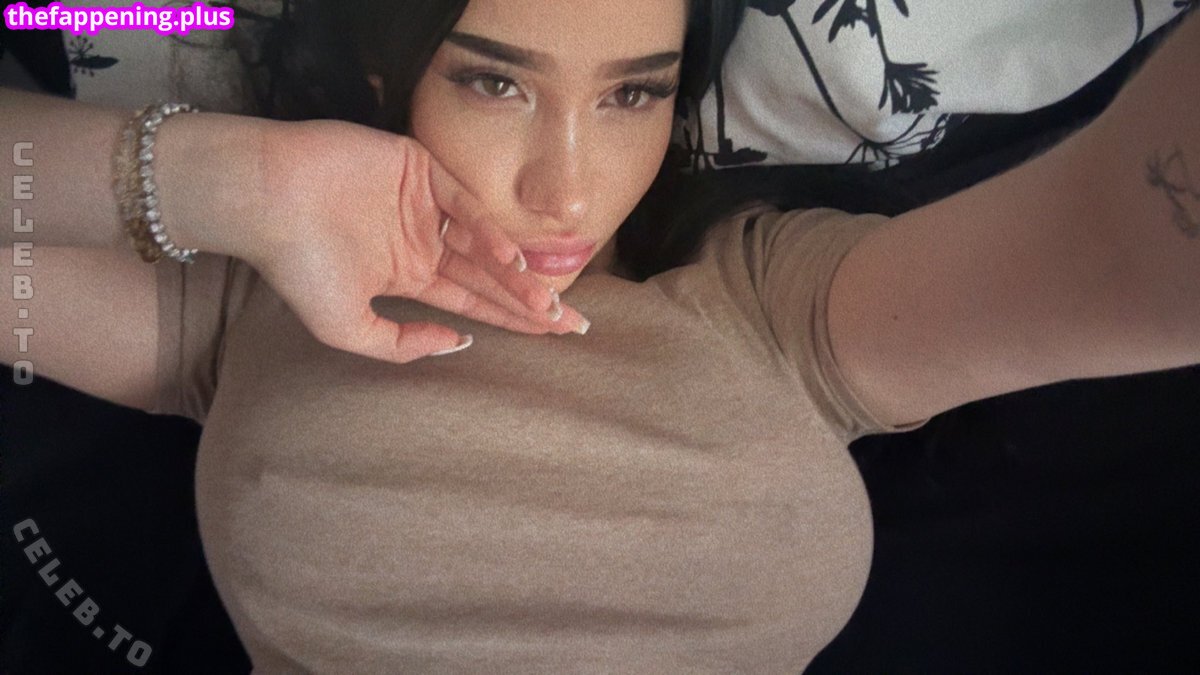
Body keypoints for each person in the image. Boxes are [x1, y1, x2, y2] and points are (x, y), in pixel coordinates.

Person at [2, 0, 1197, 672]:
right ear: (383, 77)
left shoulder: (771, 307)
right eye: (496, 83)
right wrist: (232, 180)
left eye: (633, 93)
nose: (567, 190)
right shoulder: (263, 310)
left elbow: (1128, 243)